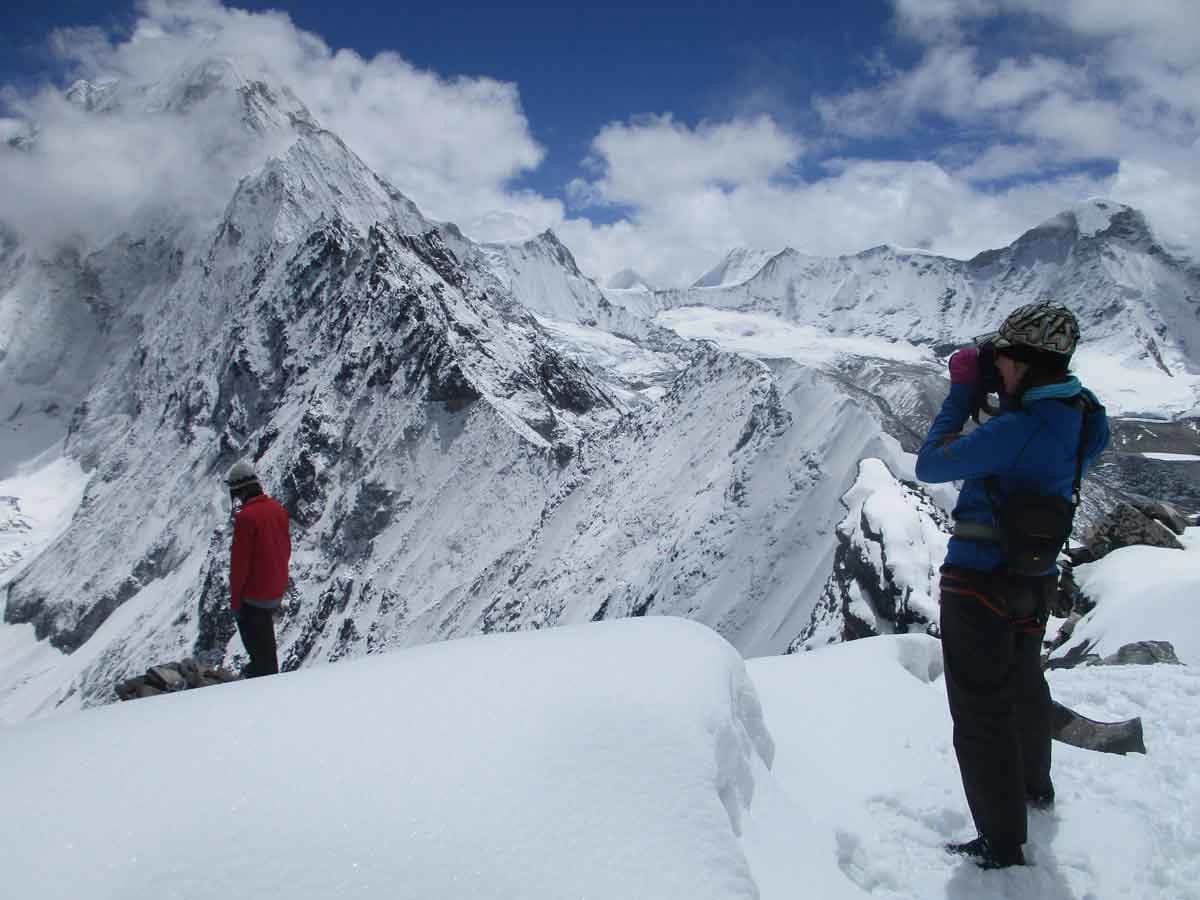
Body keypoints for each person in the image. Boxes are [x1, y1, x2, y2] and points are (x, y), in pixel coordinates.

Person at [915, 300, 1110, 869]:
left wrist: (960, 396)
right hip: (1036, 576)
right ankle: (1034, 788)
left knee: (980, 711)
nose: (994, 365)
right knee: (1024, 685)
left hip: (979, 581)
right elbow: (1088, 448)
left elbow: (931, 464)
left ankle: (1001, 842)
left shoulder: (1018, 428)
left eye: (1002, 357)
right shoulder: (1082, 415)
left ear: (1023, 364)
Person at [226, 461, 291, 678]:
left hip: (255, 597)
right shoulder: (278, 510)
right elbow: (286, 549)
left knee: (261, 660)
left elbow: (239, 566)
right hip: (276, 591)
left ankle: (258, 689)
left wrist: (236, 603)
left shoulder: (246, 518)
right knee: (266, 649)